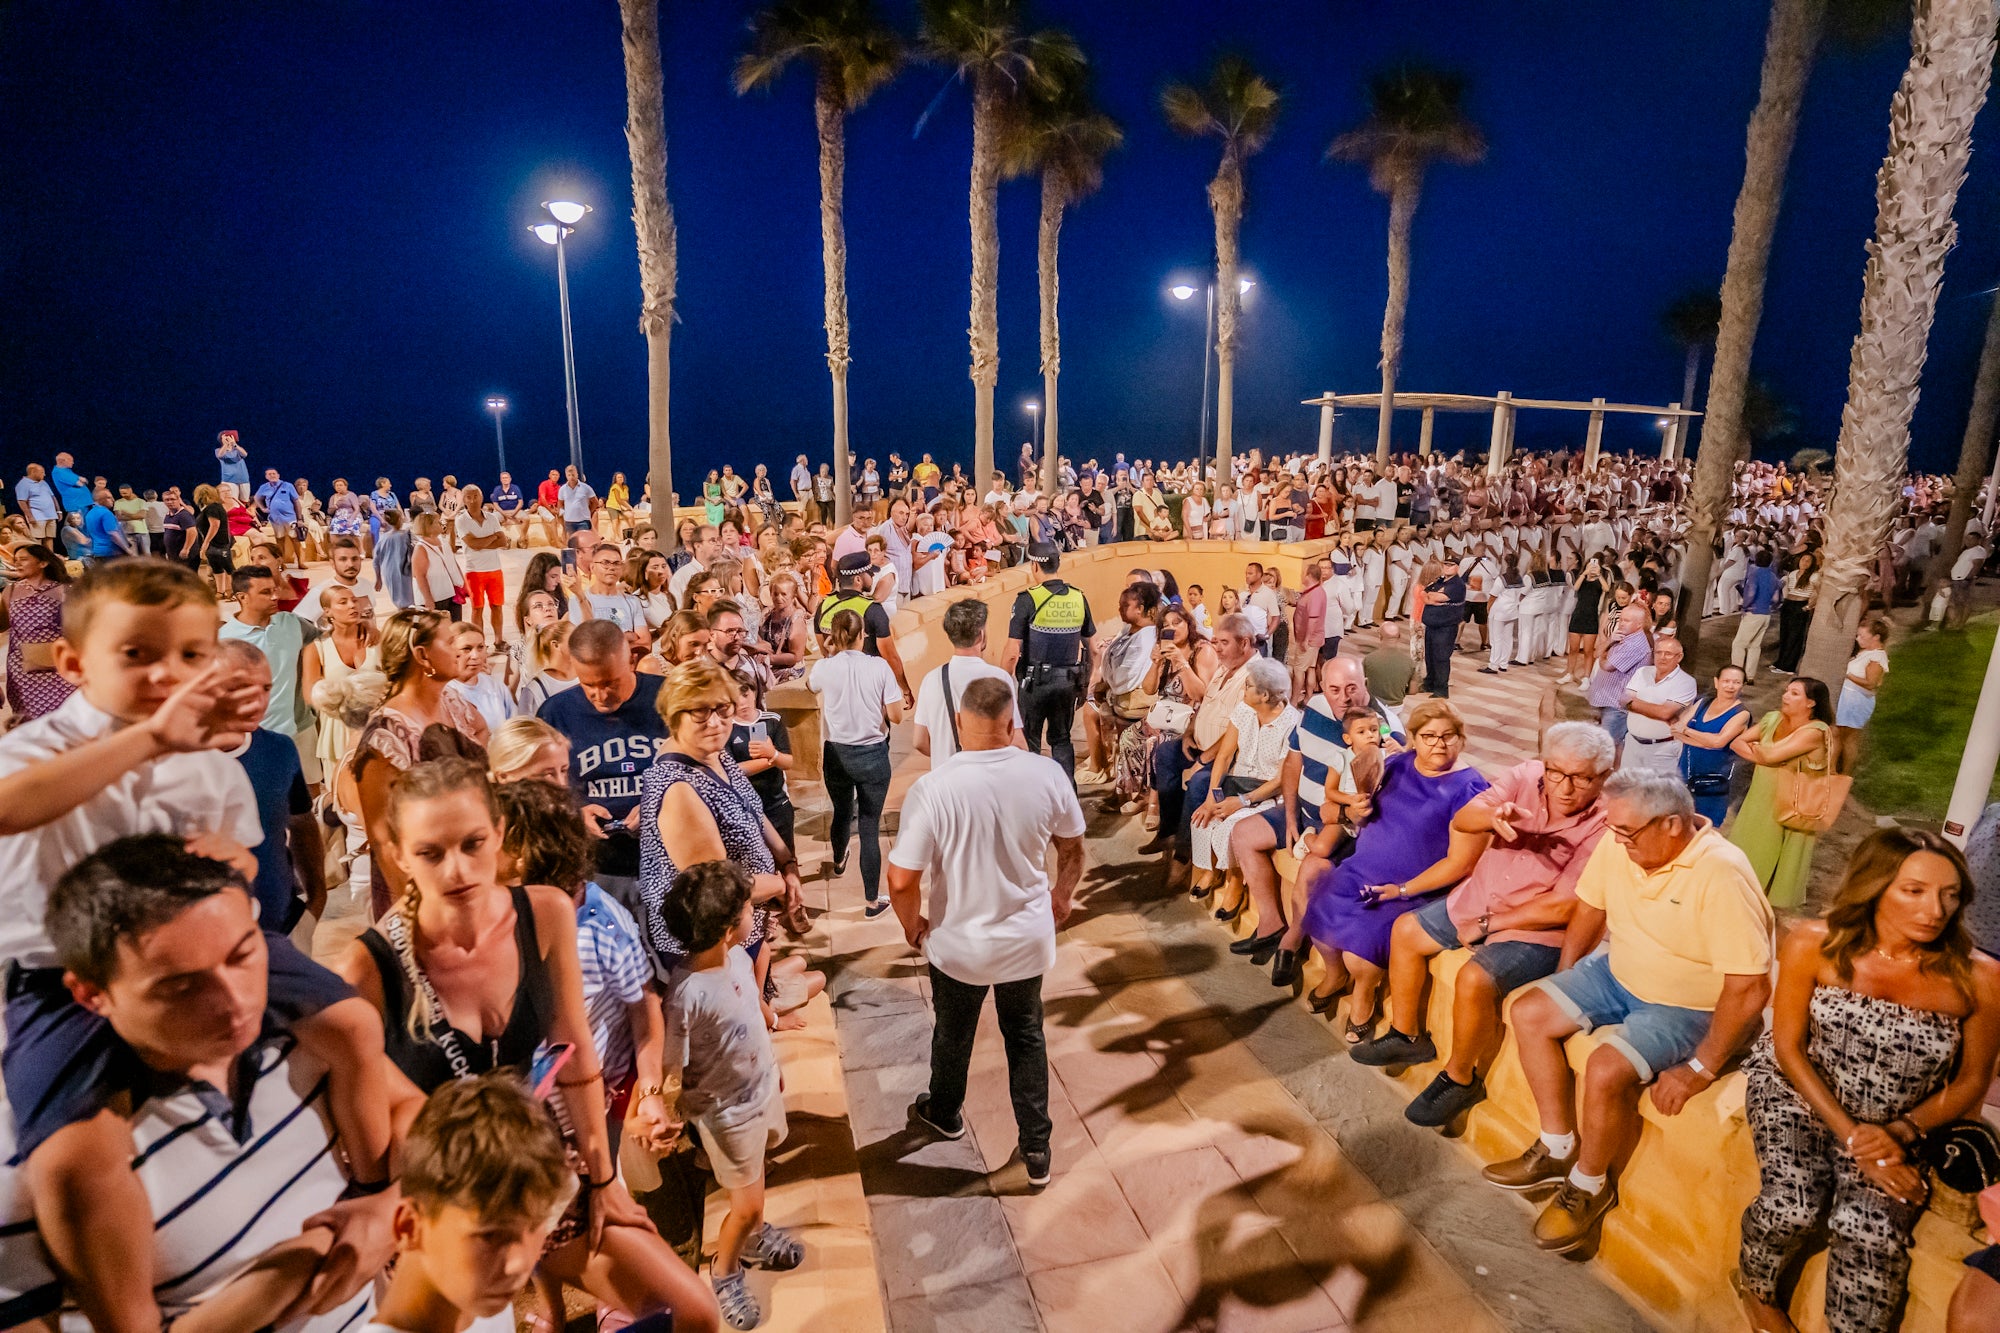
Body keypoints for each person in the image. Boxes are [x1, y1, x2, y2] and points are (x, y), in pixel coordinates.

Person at [334, 759, 720, 1333]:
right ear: (396, 855)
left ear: (500, 837)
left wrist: (601, 1177)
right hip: (446, 1201)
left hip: (534, 1165)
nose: (458, 869)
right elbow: (361, 1124)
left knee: (692, 1312)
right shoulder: (369, 966)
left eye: (473, 843)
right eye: (431, 853)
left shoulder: (543, 913)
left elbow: (574, 1050)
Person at [0, 836, 408, 1333]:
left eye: (243, 955)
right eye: (181, 986)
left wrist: (386, 1210)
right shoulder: (48, 1160)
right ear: (91, 994)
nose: (235, 1002)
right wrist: (305, 1261)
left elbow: (432, 1130)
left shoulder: (301, 1042)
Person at [1483, 770, 1773, 1255]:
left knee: (1604, 1068)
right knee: (1530, 1012)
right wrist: (1567, 972)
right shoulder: (1624, 842)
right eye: (1615, 829)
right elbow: (1590, 909)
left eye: (1627, 832)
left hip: (1689, 1005)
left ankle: (1589, 1185)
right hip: (1618, 974)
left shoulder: (1721, 873)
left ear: (1674, 826)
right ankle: (1556, 1146)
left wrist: (1701, 1069)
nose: (1616, 839)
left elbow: (1749, 987)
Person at [1736, 829, 2000, 1333]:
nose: (1935, 910)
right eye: (1914, 891)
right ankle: (1756, 1288)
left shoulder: (1980, 977)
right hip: (1801, 1096)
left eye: (1949, 895)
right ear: (1874, 887)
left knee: (1873, 1234)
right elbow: (1788, 1048)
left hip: (1899, 1122)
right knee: (1792, 1204)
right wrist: (1857, 1140)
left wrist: (1899, 1134)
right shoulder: (1816, 943)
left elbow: (1970, 1083)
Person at [1351, 723, 1615, 1127]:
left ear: (1604, 777)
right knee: (1405, 931)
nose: (1564, 787)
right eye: (1557, 773)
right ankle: (1407, 1036)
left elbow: (1566, 906)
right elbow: (1464, 818)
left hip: (1534, 927)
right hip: (1481, 897)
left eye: (1581, 778)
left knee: (1475, 979)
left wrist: (1490, 924)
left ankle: (1460, 1077)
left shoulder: (1607, 823)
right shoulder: (1526, 775)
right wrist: (1492, 816)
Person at [888, 676, 1087, 1189]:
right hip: (1025, 939)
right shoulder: (1045, 774)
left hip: (960, 944)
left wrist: (913, 926)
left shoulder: (934, 789)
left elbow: (901, 878)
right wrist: (1061, 896)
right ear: (1012, 721)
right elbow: (1073, 848)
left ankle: (946, 1112)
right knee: (1025, 1036)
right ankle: (1037, 1149)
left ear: (959, 722)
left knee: (953, 1034)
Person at [659, 861, 803, 1328]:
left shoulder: (738, 958)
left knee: (759, 1170)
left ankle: (756, 1238)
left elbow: (751, 1011)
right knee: (746, 1205)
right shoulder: (687, 994)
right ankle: (725, 1271)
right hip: (726, 1113)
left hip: (757, 1092)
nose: (754, 914)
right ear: (726, 929)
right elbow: (670, 1065)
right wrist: (668, 1109)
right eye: (748, 909)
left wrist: (771, 1065)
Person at [1301, 700, 1491, 1043]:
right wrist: (1358, 809)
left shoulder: (1470, 789)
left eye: (1449, 736)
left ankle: (1364, 992)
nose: (1439, 744)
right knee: (1317, 913)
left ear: (1462, 740)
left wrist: (1403, 889)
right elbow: (1364, 818)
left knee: (1360, 953)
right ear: (1413, 739)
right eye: (1429, 736)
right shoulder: (1396, 765)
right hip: (1361, 869)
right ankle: (1334, 976)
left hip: (1412, 887)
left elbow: (1461, 863)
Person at [369, 1074, 577, 1333]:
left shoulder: (474, 1298)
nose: (518, 1263)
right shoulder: (476, 1290)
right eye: (489, 1235)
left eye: (536, 1225)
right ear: (409, 1227)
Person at [638, 660, 802, 972]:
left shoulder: (714, 753)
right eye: (699, 711)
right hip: (707, 945)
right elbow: (717, 886)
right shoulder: (678, 788)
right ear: (672, 715)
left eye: (722, 708)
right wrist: (780, 886)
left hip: (743, 924)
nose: (715, 722)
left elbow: (754, 812)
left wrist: (788, 863)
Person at [346, 607, 490, 917]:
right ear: (422, 656)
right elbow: (384, 842)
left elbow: (480, 728)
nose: (459, 650)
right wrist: (417, 916)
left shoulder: (451, 701)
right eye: (450, 642)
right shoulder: (385, 738)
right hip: (421, 891)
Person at [537, 619, 667, 910]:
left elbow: (704, 766)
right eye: (588, 685)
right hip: (598, 867)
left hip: (669, 856)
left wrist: (661, 803)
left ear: (631, 660)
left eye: (610, 682)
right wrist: (574, 811)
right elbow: (540, 789)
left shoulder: (668, 697)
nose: (600, 695)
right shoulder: (556, 712)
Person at [214, 639, 325, 936]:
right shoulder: (177, 762)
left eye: (265, 688)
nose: (257, 701)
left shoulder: (280, 749)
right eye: (239, 688)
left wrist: (316, 901)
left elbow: (302, 821)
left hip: (284, 927)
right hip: (215, 945)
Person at [810, 609, 903, 916]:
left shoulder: (825, 666)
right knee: (868, 827)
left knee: (841, 810)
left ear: (835, 637)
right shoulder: (879, 667)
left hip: (837, 754)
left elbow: (811, 686)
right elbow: (896, 716)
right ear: (863, 635)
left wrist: (829, 653)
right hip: (872, 754)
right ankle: (872, 901)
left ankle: (838, 861)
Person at [1188, 658, 1299, 903]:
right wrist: (1211, 796)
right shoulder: (1243, 710)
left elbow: (1281, 779)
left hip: (1267, 795)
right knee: (1202, 819)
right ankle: (1211, 870)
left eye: (1248, 686)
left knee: (1230, 828)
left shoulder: (1291, 723)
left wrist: (1240, 802)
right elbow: (1225, 756)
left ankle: (1235, 881)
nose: (1243, 689)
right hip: (1237, 785)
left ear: (1265, 694)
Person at [1729, 676, 1835, 910]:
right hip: (1760, 798)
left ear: (1811, 703)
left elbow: (1770, 756)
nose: (1785, 696)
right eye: (1787, 691)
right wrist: (1764, 754)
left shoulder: (1815, 732)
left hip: (1792, 804)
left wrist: (1762, 753)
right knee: (1748, 848)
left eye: (1795, 693)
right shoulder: (1772, 719)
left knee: (1775, 860)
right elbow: (1737, 743)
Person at [1002, 542, 1096, 780]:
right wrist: (1084, 684)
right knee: (1062, 740)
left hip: (1035, 684)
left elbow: (1013, 651)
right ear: (1058, 565)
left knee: (1030, 742)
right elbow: (1093, 649)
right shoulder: (1078, 597)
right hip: (1068, 683)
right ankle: (1066, 796)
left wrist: (1003, 686)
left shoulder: (1027, 600)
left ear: (1034, 566)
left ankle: (1034, 796)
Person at [222, 563, 318, 785]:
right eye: (265, 592)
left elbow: (328, 642)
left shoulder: (292, 623)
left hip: (301, 727)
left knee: (310, 789)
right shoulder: (225, 640)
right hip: (256, 737)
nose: (275, 596)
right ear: (242, 597)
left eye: (274, 589)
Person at [913, 598, 1024, 761]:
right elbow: (1018, 742)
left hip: (945, 777)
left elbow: (919, 741)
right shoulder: (998, 678)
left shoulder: (931, 679)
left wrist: (942, 755)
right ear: (981, 635)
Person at [813, 551, 913, 703]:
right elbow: (890, 656)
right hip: (867, 687)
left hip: (838, 688)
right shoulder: (872, 609)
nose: (873, 577)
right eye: (869, 573)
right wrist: (905, 689)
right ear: (858, 579)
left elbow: (824, 650)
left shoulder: (824, 606)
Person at [1, 543, 75, 721]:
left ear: (43, 563)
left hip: (59, 666)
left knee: (65, 717)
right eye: (15, 560)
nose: (18, 564)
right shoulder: (10, 591)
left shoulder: (65, 590)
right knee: (27, 718)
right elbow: (2, 625)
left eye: (24, 559)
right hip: (22, 669)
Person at [1672, 664, 1751, 829]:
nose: (1730, 686)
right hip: (1686, 770)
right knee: (1679, 819)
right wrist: (1705, 741)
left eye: (1736, 682)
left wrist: (1688, 731)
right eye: (1726, 681)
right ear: (1716, 682)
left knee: (1704, 826)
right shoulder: (1703, 702)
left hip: (1713, 779)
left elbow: (1717, 742)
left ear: (1742, 686)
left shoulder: (1741, 714)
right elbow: (1676, 731)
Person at [1619, 634, 1697, 776]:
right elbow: (1623, 700)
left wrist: (1635, 703)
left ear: (1679, 657)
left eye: (1668, 654)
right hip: (1632, 744)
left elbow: (1665, 713)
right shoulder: (1642, 672)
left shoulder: (1686, 682)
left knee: (1657, 793)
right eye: (1658, 652)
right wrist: (1656, 709)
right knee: (1627, 790)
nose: (1662, 657)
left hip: (1662, 749)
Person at [1831, 615, 1891, 775]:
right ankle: (1833, 769)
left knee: (1849, 738)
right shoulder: (1866, 651)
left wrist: (1847, 674)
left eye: (1862, 636)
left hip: (1856, 701)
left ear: (1876, 637)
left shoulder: (1876, 658)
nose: (1858, 639)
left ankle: (1845, 773)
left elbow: (1871, 683)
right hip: (1848, 698)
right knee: (1837, 734)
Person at [453, 483, 508, 643]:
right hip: (474, 571)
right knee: (477, 608)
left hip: (495, 569)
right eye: (468, 497)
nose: (472, 500)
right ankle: (480, 642)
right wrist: (492, 537)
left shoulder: (492, 517)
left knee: (497, 606)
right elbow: (473, 545)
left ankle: (498, 639)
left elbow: (502, 541)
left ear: (481, 496)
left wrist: (481, 542)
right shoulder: (461, 520)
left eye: (475, 496)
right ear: (463, 500)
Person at [1733, 550, 1780, 684]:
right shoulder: (1773, 576)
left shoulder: (1754, 574)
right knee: (1754, 645)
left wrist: (1745, 606)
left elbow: (1751, 593)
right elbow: (1776, 598)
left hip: (1753, 612)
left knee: (1739, 644)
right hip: (1766, 614)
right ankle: (1750, 676)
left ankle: (1736, 674)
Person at [1361, 620, 1418, 711]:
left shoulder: (1369, 659)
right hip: (1396, 707)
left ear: (1380, 636)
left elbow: (1360, 684)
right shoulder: (1409, 662)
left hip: (1374, 705)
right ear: (1399, 636)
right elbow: (1413, 691)